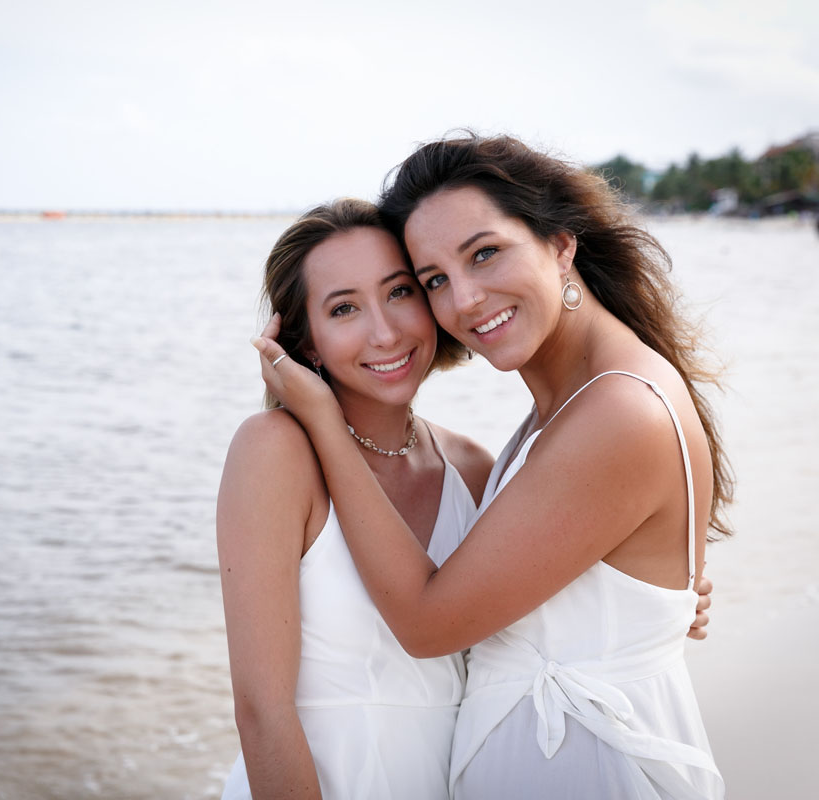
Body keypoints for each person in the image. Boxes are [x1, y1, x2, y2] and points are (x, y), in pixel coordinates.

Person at [253, 134, 730, 799]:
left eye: (485, 253)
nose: (466, 299)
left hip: (587, 765)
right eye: (435, 280)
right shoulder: (563, 408)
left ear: (560, 243)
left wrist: (325, 426)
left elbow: (429, 625)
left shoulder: (617, 407)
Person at [217, 198, 494, 799]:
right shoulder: (274, 453)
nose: (385, 331)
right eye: (344, 308)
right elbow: (261, 711)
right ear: (306, 343)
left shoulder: (473, 470)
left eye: (400, 293)